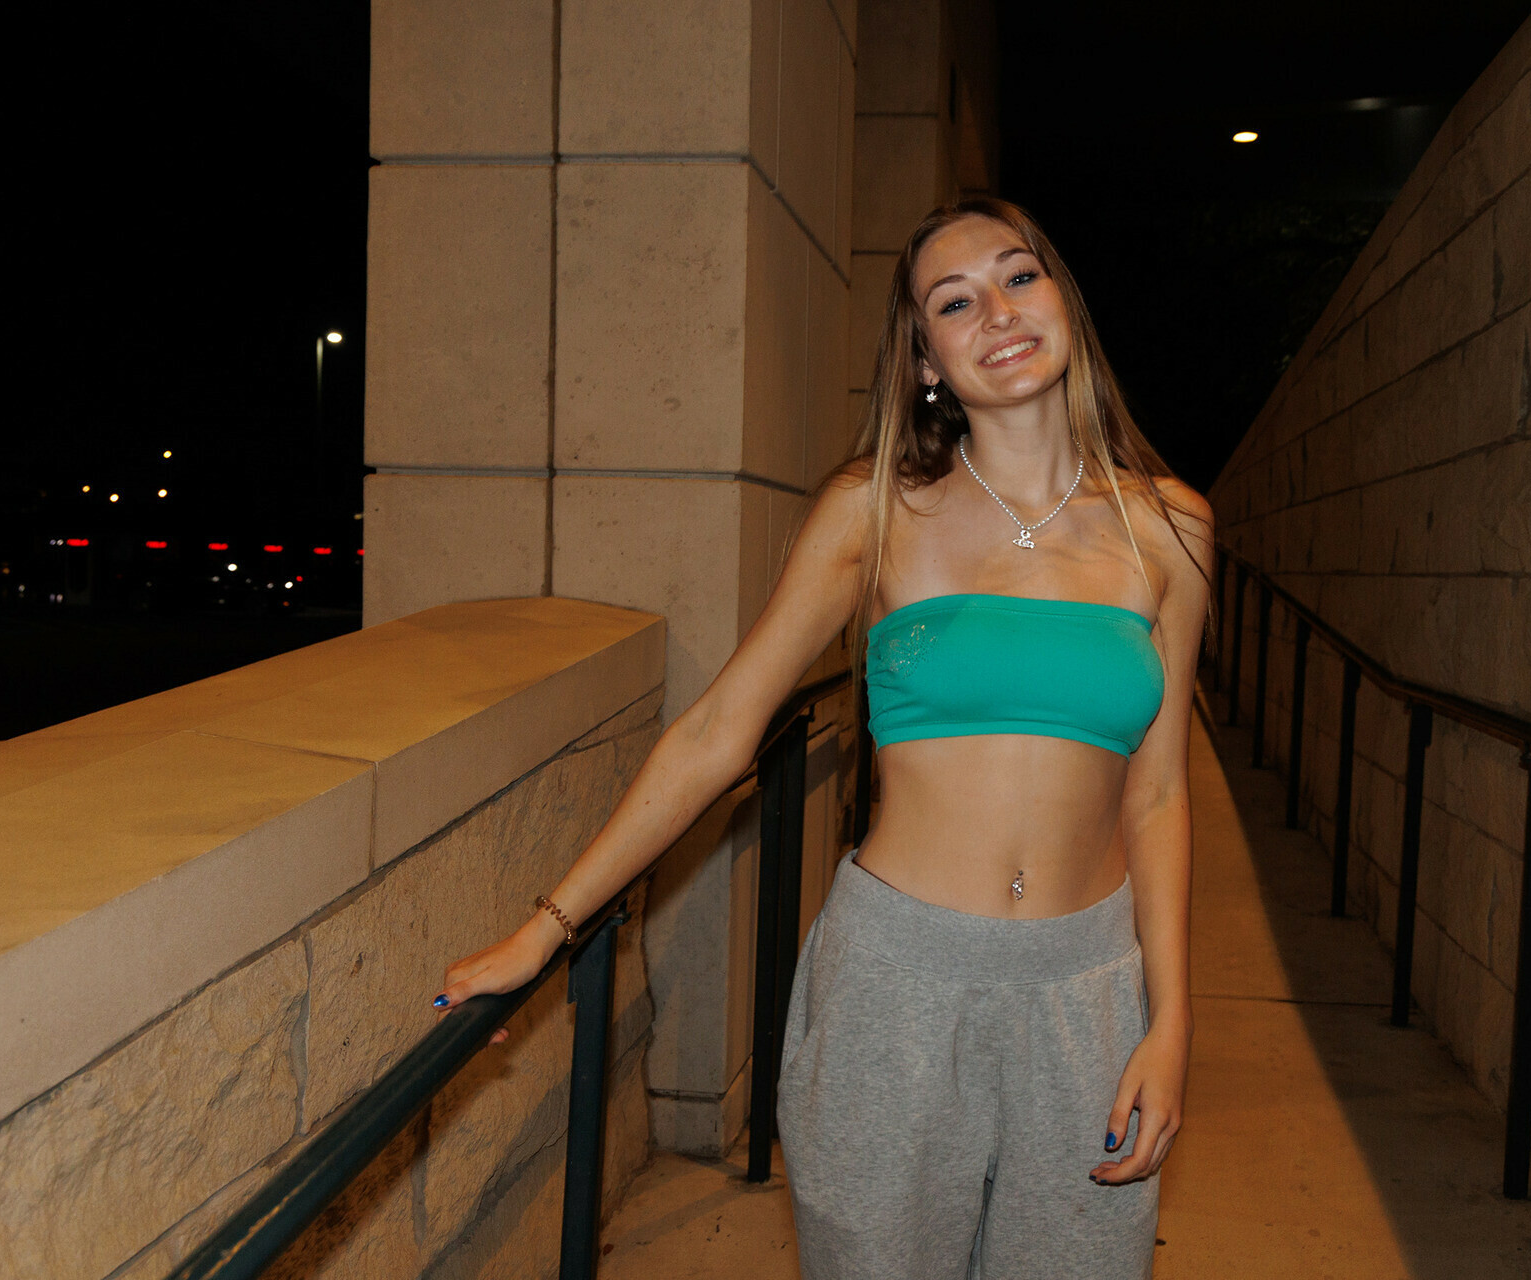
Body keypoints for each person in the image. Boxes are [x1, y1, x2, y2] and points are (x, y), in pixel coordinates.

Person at [433, 197, 1213, 1279]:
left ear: (1063, 302)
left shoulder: (1169, 527)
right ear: (926, 358)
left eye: (1018, 276)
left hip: (1087, 992)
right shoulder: (875, 511)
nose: (997, 311)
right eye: (955, 302)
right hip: (894, 989)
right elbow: (718, 731)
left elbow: (1159, 794)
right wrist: (549, 927)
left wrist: (1170, 1022)